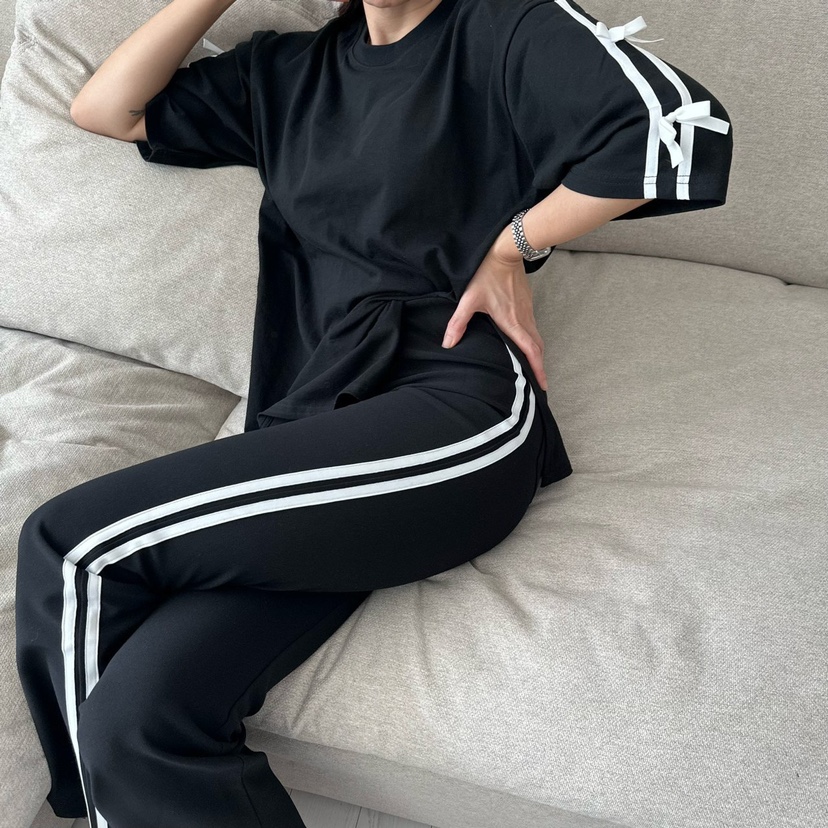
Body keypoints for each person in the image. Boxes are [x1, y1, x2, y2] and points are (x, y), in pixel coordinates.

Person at [15, 0, 733, 826]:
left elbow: (683, 129)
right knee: (138, 723)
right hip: (314, 427)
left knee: (72, 542)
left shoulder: (504, 31)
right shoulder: (286, 74)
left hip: (448, 411)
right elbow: (108, 110)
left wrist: (514, 246)